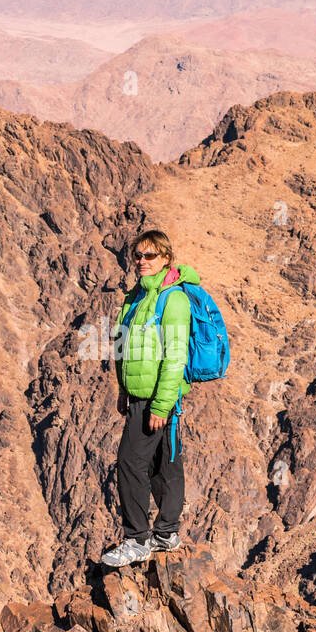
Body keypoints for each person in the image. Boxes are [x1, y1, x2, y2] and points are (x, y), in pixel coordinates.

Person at [102, 230, 200, 568]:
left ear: (166, 260)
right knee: (165, 463)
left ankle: (137, 539)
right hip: (138, 396)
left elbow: (175, 357)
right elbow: (122, 345)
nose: (142, 262)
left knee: (130, 464)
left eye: (151, 256)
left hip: (157, 400)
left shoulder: (172, 300)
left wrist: (160, 404)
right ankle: (166, 533)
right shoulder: (136, 297)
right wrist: (122, 390)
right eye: (138, 256)